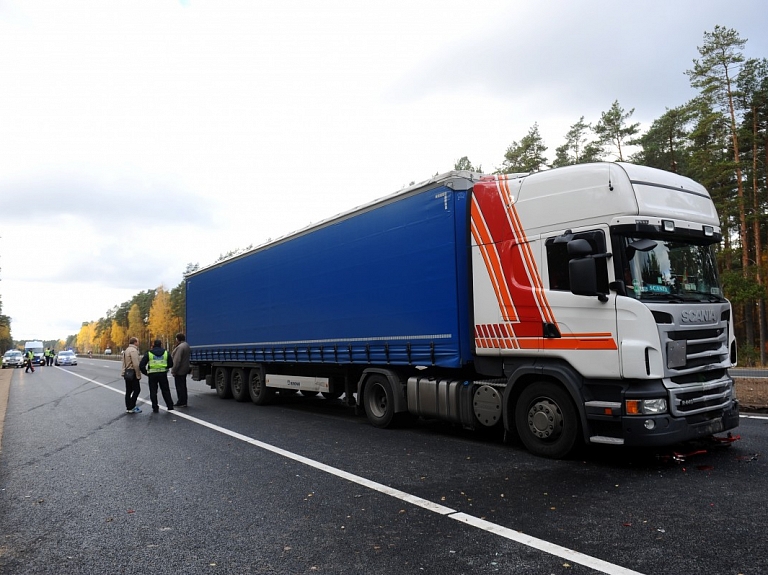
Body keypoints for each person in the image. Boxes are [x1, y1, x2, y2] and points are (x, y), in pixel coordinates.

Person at [139, 339, 175, 413]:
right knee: (166, 390)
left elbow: (141, 365)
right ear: (161, 344)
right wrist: (165, 367)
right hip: (163, 374)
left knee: (153, 391)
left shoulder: (149, 353)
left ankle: (155, 407)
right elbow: (171, 364)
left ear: (153, 345)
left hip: (152, 374)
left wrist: (146, 373)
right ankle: (170, 406)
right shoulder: (166, 353)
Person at [121, 337, 142, 414]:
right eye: (138, 341)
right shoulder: (133, 350)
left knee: (128, 391)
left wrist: (123, 372)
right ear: (135, 342)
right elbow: (136, 364)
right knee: (137, 390)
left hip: (127, 372)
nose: (138, 343)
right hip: (132, 372)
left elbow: (123, 362)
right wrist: (138, 374)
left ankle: (128, 407)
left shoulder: (127, 350)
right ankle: (132, 406)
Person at [171, 333, 191, 407]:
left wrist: (174, 370)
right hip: (185, 368)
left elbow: (177, 360)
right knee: (183, 386)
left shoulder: (180, 347)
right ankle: (184, 401)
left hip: (180, 370)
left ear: (178, 339)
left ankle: (181, 401)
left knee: (180, 387)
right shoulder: (186, 345)